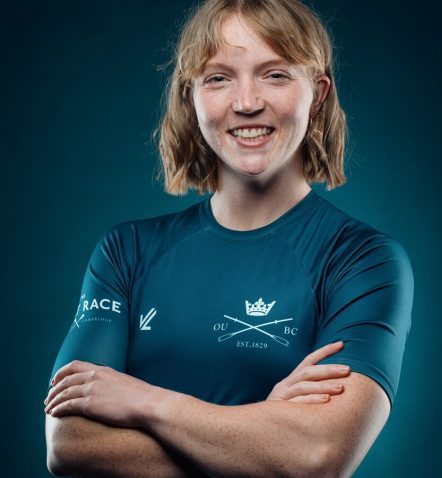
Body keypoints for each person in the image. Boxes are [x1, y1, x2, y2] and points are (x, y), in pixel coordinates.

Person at [44, 0, 414, 476]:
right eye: (218, 78)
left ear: (318, 94)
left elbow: (317, 457)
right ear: (191, 97)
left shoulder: (363, 260)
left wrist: (145, 401)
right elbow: (70, 442)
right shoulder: (126, 252)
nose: (246, 102)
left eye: (275, 75)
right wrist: (262, 430)